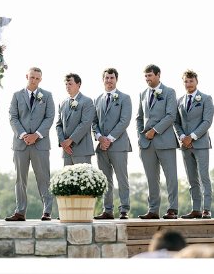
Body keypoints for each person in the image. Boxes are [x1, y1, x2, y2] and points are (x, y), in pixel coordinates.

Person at [6, 67, 55, 221]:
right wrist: (23, 135)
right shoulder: (16, 96)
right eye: (31, 77)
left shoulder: (47, 96)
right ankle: (20, 212)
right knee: (20, 179)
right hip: (20, 144)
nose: (33, 80)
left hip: (40, 144)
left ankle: (47, 211)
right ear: (27, 76)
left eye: (37, 78)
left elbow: (49, 118)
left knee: (44, 178)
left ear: (40, 80)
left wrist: (36, 135)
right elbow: (13, 117)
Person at [137, 64, 179, 220]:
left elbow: (170, 116)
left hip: (165, 141)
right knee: (151, 178)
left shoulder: (169, 92)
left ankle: (172, 209)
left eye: (150, 75)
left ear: (158, 75)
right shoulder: (142, 93)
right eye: (146, 76)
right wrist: (140, 136)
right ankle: (153, 210)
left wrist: (154, 130)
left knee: (171, 177)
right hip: (146, 143)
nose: (148, 79)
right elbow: (139, 118)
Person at [93, 67, 133, 220]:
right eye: (106, 78)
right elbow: (94, 122)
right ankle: (107, 210)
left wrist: (109, 138)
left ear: (116, 79)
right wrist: (99, 137)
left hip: (118, 145)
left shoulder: (124, 98)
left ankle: (124, 209)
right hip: (101, 146)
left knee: (122, 178)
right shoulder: (97, 99)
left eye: (112, 78)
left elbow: (125, 121)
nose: (109, 80)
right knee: (105, 179)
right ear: (103, 80)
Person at [176, 69, 213, 219]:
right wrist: (183, 136)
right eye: (186, 81)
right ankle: (195, 208)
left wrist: (192, 136)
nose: (188, 84)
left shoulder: (206, 98)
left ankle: (206, 209)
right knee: (191, 179)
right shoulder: (179, 101)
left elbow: (207, 121)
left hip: (201, 143)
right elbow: (176, 122)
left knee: (204, 176)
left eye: (191, 81)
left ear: (196, 81)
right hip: (185, 145)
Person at [56, 73, 95, 165]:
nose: (67, 86)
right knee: (67, 179)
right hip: (66, 151)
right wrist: (62, 142)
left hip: (82, 149)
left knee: (83, 179)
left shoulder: (87, 101)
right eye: (66, 84)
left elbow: (85, 123)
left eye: (70, 84)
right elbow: (58, 125)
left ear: (78, 84)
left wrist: (70, 140)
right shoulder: (63, 103)